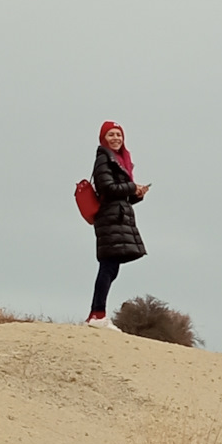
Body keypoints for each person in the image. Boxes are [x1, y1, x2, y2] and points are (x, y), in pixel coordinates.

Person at [85, 121, 150, 328]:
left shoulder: (120, 160)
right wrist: (132, 187)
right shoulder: (104, 159)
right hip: (109, 218)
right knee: (108, 266)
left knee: (111, 268)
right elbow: (107, 187)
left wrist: (136, 195)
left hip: (117, 216)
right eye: (111, 135)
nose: (116, 138)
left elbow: (121, 196)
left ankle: (97, 314)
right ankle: (97, 315)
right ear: (103, 138)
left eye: (119, 135)